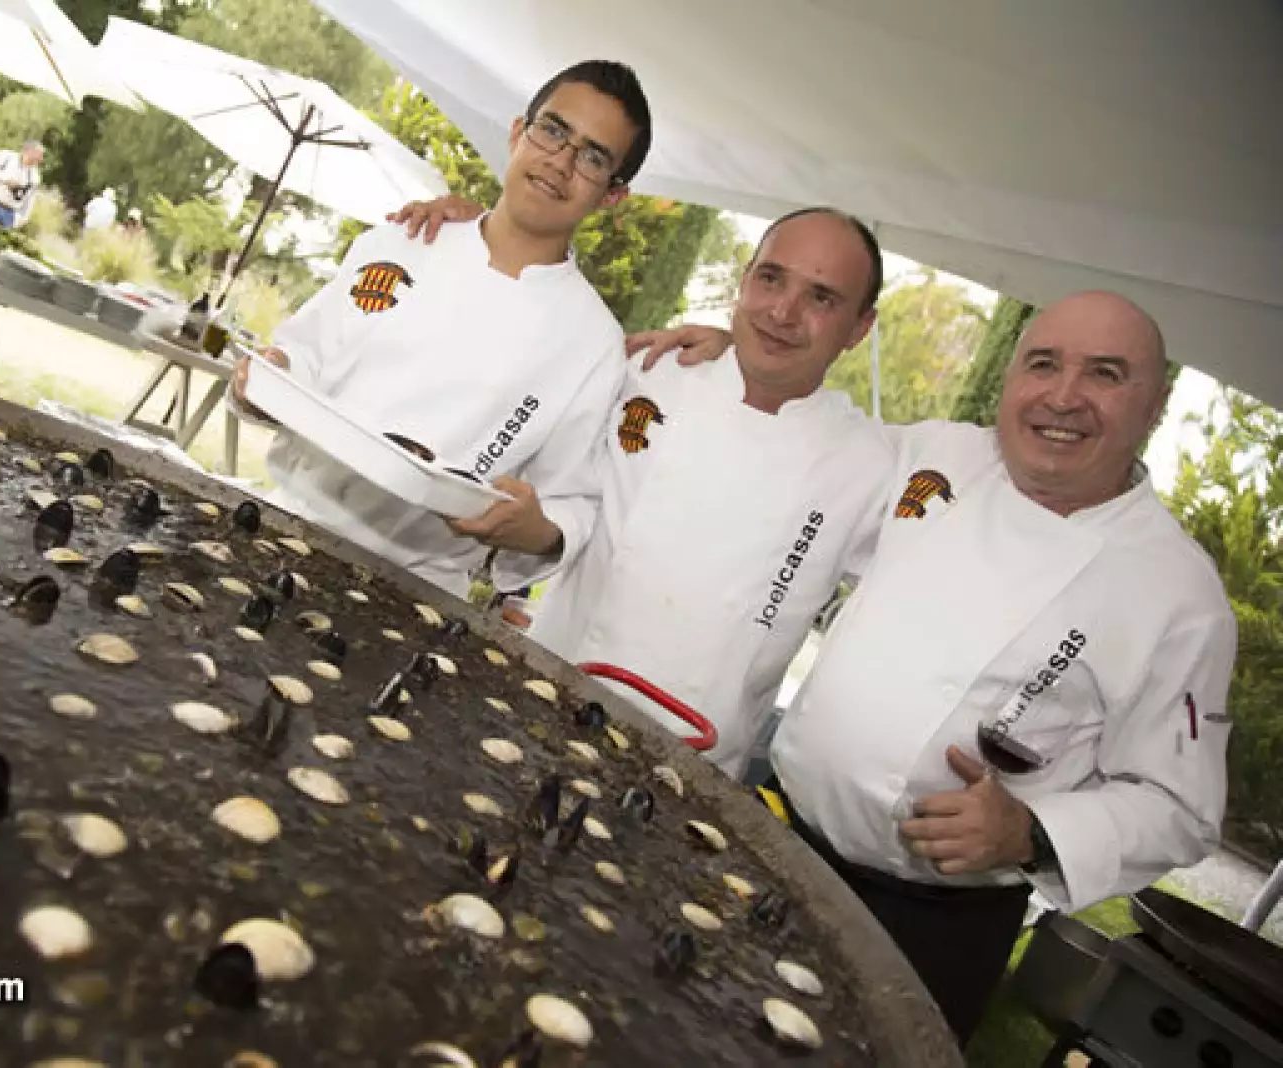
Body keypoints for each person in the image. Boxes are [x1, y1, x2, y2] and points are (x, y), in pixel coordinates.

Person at [729, 291, 1234, 1046]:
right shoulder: (938, 456)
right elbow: (808, 438)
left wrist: (1030, 831)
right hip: (777, 836)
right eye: (1043, 363)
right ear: (1010, 377)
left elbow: (1182, 809)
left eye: (1104, 373)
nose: (1063, 396)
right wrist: (716, 353)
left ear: (1154, 405)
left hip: (928, 925)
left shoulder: (1180, 597)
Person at [384, 199, 895, 776]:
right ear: (744, 282)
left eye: (821, 298)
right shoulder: (648, 373)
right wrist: (486, 231)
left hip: (691, 770)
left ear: (860, 328)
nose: (783, 311)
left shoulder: (876, 467)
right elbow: (566, 490)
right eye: (770, 278)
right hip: (549, 697)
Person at [229, 60, 653, 597]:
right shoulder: (405, 240)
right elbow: (302, 356)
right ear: (519, 132)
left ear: (612, 195)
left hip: (412, 592)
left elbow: (568, 504)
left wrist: (537, 531)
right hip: (277, 525)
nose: (560, 164)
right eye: (552, 131)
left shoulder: (594, 343)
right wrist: (268, 377)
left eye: (593, 157)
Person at [0, 141, 44, 229]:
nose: (41, 159)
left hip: (10, 215)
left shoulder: (35, 176)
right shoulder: (6, 157)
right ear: (28, 151)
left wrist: (24, 218)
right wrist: (5, 180)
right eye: (39, 155)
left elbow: (30, 199)